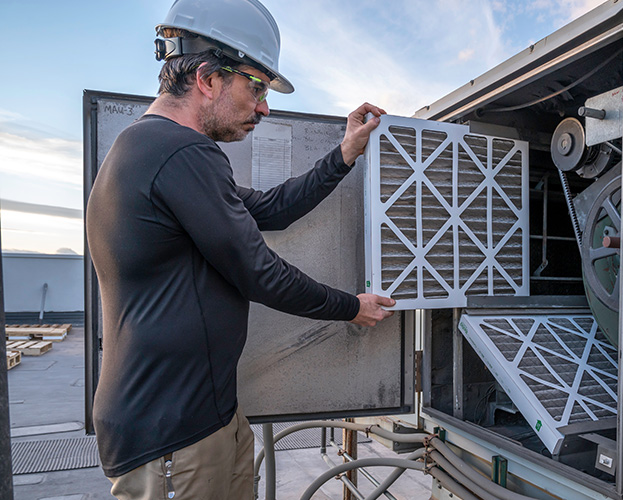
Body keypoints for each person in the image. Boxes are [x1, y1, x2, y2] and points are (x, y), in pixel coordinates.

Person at [84, 0, 394, 498]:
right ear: (208, 79)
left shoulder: (156, 150)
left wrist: (344, 153)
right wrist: (350, 307)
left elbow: (271, 208)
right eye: (257, 88)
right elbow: (259, 271)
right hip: (171, 433)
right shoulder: (179, 151)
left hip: (203, 416)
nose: (264, 108)